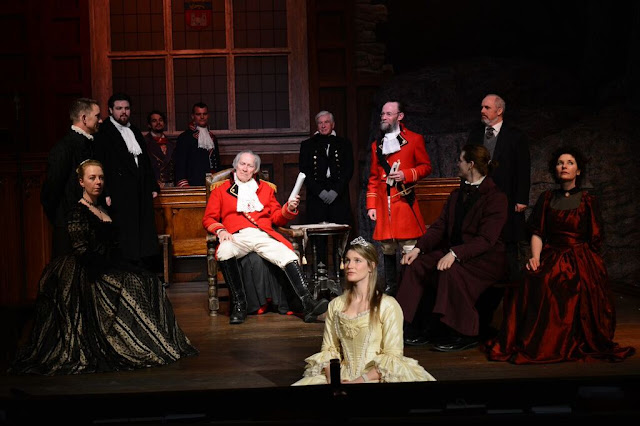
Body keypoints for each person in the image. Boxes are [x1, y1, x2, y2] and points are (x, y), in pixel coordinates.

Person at [9, 160, 197, 375]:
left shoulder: (103, 209)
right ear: (81, 182)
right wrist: (111, 269)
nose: (98, 182)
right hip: (86, 269)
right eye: (92, 178)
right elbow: (82, 250)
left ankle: (152, 341)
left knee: (150, 281)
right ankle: (129, 343)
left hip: (107, 263)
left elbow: (114, 247)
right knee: (129, 284)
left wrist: (123, 264)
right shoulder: (77, 212)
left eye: (100, 177)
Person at [485, 147, 635, 364]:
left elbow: (595, 238)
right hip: (552, 252)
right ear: (555, 170)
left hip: (580, 255)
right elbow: (537, 232)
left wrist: (589, 265)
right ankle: (540, 339)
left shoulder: (587, 199)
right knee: (533, 279)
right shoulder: (547, 198)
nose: (564, 166)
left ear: (578, 171)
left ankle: (571, 337)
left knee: (573, 283)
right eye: (560, 163)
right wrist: (535, 257)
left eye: (570, 163)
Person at [398, 144, 507, 352]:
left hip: (485, 259)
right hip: (454, 251)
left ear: (471, 164)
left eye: (460, 160)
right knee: (415, 265)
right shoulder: (456, 194)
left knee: (450, 271)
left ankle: (463, 333)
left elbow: (486, 240)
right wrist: (418, 249)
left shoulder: (496, 197)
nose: (457, 164)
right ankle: (414, 325)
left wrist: (455, 254)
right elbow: (439, 227)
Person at [202, 150, 328, 324]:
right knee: (224, 251)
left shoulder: (266, 189)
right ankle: (239, 305)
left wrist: (288, 208)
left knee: (288, 255)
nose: (245, 168)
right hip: (236, 236)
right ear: (235, 165)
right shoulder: (220, 190)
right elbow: (209, 218)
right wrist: (221, 231)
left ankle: (307, 303)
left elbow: (276, 217)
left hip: (262, 235)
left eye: (250, 166)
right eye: (242, 164)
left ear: (255, 170)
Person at [292, 236, 436, 385]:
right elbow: (329, 350)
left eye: (357, 260)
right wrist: (334, 380)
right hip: (342, 376)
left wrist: (359, 381)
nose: (350, 265)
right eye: (347, 260)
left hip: (375, 377)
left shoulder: (387, 305)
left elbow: (393, 356)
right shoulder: (336, 305)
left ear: (371, 266)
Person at [467, 94, 531, 338]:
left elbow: (523, 168)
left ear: (499, 110)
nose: (482, 110)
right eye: (481, 106)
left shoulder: (515, 136)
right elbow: (468, 166)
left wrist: (521, 198)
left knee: (509, 257)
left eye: (487, 107)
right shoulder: (476, 134)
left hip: (508, 204)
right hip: (480, 204)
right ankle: (481, 320)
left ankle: (513, 320)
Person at [366, 100, 432, 297]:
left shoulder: (414, 139)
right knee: (387, 247)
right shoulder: (376, 145)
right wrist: (371, 205)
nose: (384, 117)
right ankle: (391, 288)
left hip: (403, 201)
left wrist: (406, 174)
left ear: (400, 116)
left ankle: (409, 290)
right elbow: (374, 177)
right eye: (382, 114)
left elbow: (426, 167)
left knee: (409, 247)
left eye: (388, 114)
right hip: (383, 203)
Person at [94, 93, 160, 267]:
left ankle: (142, 271)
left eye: (127, 108)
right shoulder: (104, 132)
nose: (123, 112)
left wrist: (152, 185)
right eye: (119, 108)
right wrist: (105, 192)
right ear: (110, 110)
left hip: (139, 189)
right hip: (119, 191)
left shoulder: (135, 130)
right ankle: (128, 271)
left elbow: (145, 161)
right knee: (125, 235)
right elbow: (101, 164)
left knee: (142, 233)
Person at [41, 97, 102, 258]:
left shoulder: (91, 145)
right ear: (84, 118)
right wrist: (62, 219)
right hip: (68, 227)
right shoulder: (64, 148)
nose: (100, 120)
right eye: (97, 116)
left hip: (89, 223)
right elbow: (51, 191)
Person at [299, 110, 354, 267]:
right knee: (318, 236)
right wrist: (320, 192)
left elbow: (348, 170)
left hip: (339, 195)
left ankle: (341, 269)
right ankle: (320, 270)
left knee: (340, 235)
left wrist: (335, 191)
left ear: (333, 124)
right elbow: (304, 172)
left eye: (326, 122)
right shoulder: (307, 145)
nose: (323, 126)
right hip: (317, 195)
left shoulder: (344, 144)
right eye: (320, 123)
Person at [174, 102, 220, 187]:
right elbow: (180, 164)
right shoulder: (185, 137)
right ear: (193, 116)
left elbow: (217, 163)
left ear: (208, 115)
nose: (202, 117)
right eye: (198, 114)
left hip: (212, 183)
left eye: (204, 114)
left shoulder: (213, 137)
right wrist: (184, 184)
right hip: (193, 184)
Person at [144, 110, 176, 189]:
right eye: (154, 121)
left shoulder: (172, 144)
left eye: (160, 120)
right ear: (149, 125)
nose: (158, 123)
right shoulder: (144, 143)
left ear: (164, 123)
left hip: (172, 186)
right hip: (153, 186)